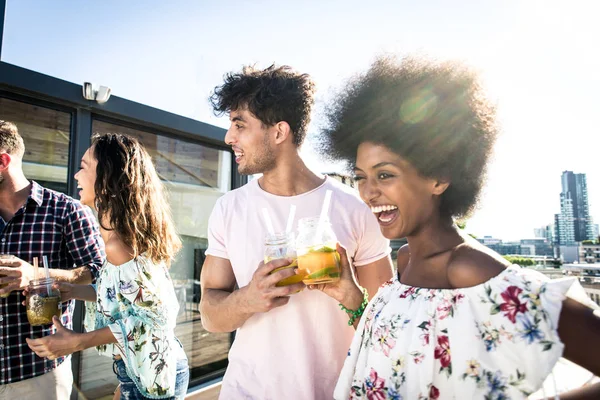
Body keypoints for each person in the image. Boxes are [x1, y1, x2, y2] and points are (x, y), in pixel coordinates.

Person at [318, 56, 600, 399]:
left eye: (385, 175)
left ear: (439, 176)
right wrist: (352, 298)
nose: (368, 192)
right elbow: (395, 349)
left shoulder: (467, 267)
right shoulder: (406, 260)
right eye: (361, 178)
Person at [200, 64, 393, 399]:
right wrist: (248, 299)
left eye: (239, 125)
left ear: (279, 132)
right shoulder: (229, 209)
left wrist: (352, 296)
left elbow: (390, 323)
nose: (229, 137)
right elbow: (210, 316)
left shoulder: (355, 209)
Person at [26, 133, 189, 399]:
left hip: (153, 377)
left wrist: (76, 341)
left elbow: (154, 321)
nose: (76, 176)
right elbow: (125, 299)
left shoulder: (119, 245)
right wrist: (74, 291)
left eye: (84, 167)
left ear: (107, 178)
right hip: (141, 369)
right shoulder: (116, 235)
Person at [0, 120, 105, 399]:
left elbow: (97, 271)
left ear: (3, 161)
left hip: (37, 372)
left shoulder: (66, 210)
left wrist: (36, 275)